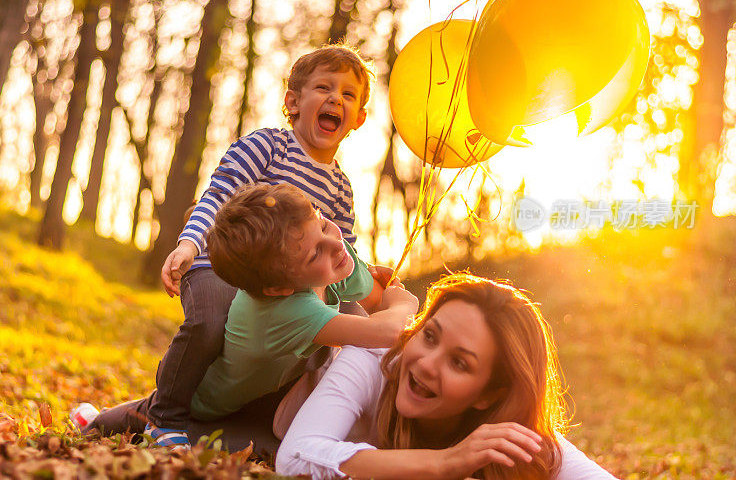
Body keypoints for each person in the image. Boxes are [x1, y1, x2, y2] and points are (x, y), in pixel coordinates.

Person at [151, 44, 378, 445]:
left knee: (309, 348)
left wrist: (368, 282)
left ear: (358, 118)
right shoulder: (268, 146)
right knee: (209, 323)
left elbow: (344, 251)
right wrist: (189, 246)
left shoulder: (341, 187)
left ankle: (274, 422)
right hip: (219, 266)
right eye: (324, 87)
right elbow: (219, 193)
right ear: (293, 101)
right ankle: (165, 417)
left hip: (280, 292)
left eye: (347, 94)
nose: (335, 99)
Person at [77, 183, 418, 447]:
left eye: (325, 224)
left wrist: (385, 296)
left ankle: (99, 417)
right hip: (205, 397)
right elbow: (387, 330)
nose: (336, 243)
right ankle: (93, 421)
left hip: (262, 392)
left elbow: (375, 300)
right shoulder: (289, 310)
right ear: (279, 288)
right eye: (316, 253)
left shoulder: (333, 255)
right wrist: (404, 303)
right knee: (149, 414)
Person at [276, 272, 618, 479]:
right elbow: (294, 458)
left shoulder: (509, 435)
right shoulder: (371, 360)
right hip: (259, 408)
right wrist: (442, 465)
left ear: (491, 395)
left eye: (460, 363)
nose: (425, 364)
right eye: (429, 335)